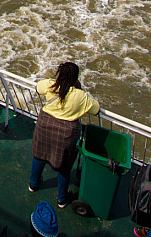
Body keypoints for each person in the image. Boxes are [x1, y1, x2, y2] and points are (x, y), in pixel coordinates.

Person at [29, 62, 100, 209]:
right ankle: (61, 199)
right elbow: (96, 109)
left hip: (45, 127)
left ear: (59, 74)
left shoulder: (51, 85)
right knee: (63, 166)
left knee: (39, 157)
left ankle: (33, 185)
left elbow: (37, 87)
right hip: (66, 134)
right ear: (76, 78)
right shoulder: (80, 96)